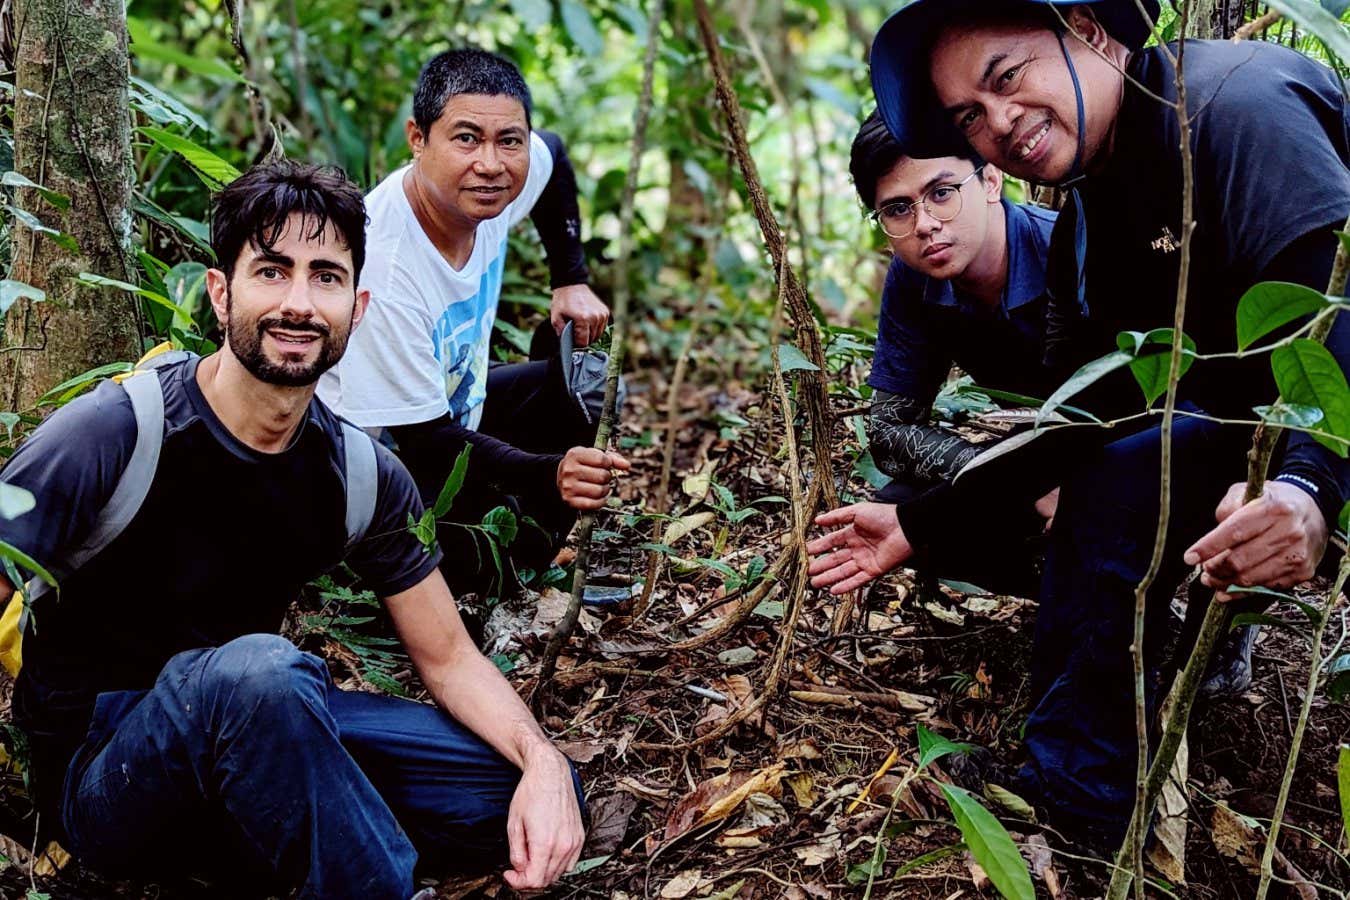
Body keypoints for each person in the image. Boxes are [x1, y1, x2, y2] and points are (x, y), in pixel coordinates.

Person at [813, 0, 1350, 845]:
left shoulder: (1233, 103)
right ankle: (1077, 793)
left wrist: (1311, 484)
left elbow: (1333, 312)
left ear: (1090, 30)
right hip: (1243, 437)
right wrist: (919, 521)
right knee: (1114, 473)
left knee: (1127, 473)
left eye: (1007, 78)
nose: (1000, 123)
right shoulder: (1089, 219)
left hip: (1321, 439)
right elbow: (1087, 423)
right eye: (970, 116)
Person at [0, 161, 586, 898]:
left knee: (515, 795)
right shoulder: (117, 432)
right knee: (261, 675)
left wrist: (541, 763)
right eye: (272, 273)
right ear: (222, 294)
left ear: (358, 305)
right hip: (110, 772)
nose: (299, 304)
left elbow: (448, 658)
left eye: (326, 278)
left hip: (260, 737)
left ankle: (273, 847)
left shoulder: (359, 473)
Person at [318, 48, 628, 600]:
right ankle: (495, 575)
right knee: (483, 559)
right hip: (381, 470)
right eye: (465, 139)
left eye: (509, 140)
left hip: (455, 413)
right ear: (418, 139)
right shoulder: (382, 266)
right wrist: (549, 471)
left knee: (592, 383)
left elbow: (551, 153)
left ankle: (527, 556)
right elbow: (427, 440)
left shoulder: (494, 184)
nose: (490, 163)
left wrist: (571, 278)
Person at [850, 109, 1059, 599]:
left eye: (941, 194)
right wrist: (1015, 481)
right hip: (1034, 462)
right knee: (902, 512)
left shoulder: (1067, 251)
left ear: (990, 179)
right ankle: (1069, 598)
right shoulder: (912, 277)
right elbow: (888, 431)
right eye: (898, 209)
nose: (924, 224)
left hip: (1134, 447)